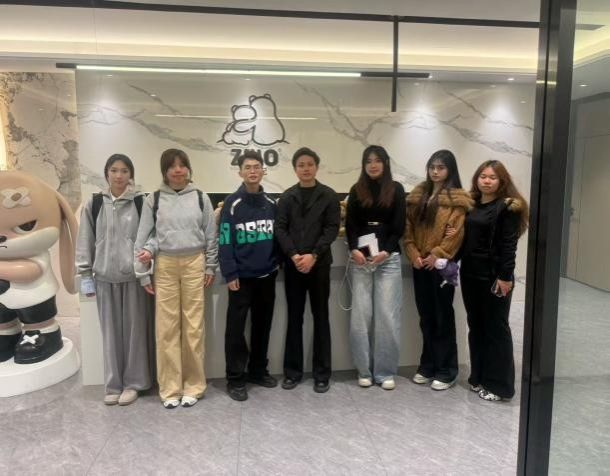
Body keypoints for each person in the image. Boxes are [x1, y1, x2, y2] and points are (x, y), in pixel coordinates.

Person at [134, 149, 218, 409]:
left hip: (195, 263)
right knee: (167, 328)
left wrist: (210, 267)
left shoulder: (201, 198)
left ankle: (194, 386)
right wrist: (142, 273)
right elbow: (144, 237)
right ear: (165, 171)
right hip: (166, 265)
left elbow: (211, 235)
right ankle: (170, 389)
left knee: (194, 328)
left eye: (182, 165)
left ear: (188, 168)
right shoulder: (154, 199)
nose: (178, 170)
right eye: (172, 166)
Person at [76, 154, 152, 406]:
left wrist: (144, 265)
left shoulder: (141, 202)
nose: (119, 176)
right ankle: (114, 384)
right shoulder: (95, 203)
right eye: (114, 170)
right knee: (110, 335)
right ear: (107, 173)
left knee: (135, 334)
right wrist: (85, 275)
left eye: (124, 171)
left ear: (131, 175)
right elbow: (85, 240)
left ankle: (134, 383)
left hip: (134, 279)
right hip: (104, 279)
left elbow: (149, 236)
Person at [458, 160, 528, 401]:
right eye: (483, 176)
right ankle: (478, 376)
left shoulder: (507, 207)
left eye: (492, 177)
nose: (487, 181)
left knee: (496, 329)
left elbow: (509, 245)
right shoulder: (472, 204)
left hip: (494, 277)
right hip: (470, 275)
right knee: (476, 327)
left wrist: (505, 277)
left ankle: (499, 386)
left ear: (501, 181)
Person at [404, 149, 473, 391]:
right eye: (432, 167)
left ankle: (447, 370)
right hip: (419, 264)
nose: (435, 171)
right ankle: (428, 364)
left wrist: (438, 254)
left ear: (450, 170)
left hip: (441, 267)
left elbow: (456, 233)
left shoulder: (457, 199)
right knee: (426, 316)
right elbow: (408, 228)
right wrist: (413, 253)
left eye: (441, 167)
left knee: (442, 316)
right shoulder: (418, 196)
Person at [276, 147, 340, 393]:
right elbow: (280, 229)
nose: (305, 168)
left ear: (316, 167)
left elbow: (331, 229)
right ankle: (292, 373)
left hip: (319, 264)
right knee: (295, 318)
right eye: (301, 165)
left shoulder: (329, 195)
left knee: (321, 317)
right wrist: (294, 255)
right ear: (295, 169)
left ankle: (322, 374)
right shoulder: (287, 197)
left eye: (310, 164)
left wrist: (313, 255)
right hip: (293, 266)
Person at [219, 151, 279, 402]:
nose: (253, 171)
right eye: (248, 167)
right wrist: (230, 272)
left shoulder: (272, 203)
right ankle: (235, 378)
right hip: (240, 278)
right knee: (235, 330)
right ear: (240, 172)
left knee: (262, 326)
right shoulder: (232, 204)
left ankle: (257, 371)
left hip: (267, 275)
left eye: (257, 167)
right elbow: (225, 239)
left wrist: (277, 263)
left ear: (263, 171)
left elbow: (279, 236)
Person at [346, 145, 406, 390]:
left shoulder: (396, 189)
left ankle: (384, 372)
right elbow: (351, 224)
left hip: (388, 259)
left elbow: (399, 224)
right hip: (362, 258)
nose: (373, 165)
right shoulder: (356, 189)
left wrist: (387, 251)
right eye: (368, 161)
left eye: (377, 160)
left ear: (385, 163)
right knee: (360, 317)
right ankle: (364, 370)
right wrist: (353, 249)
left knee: (387, 317)